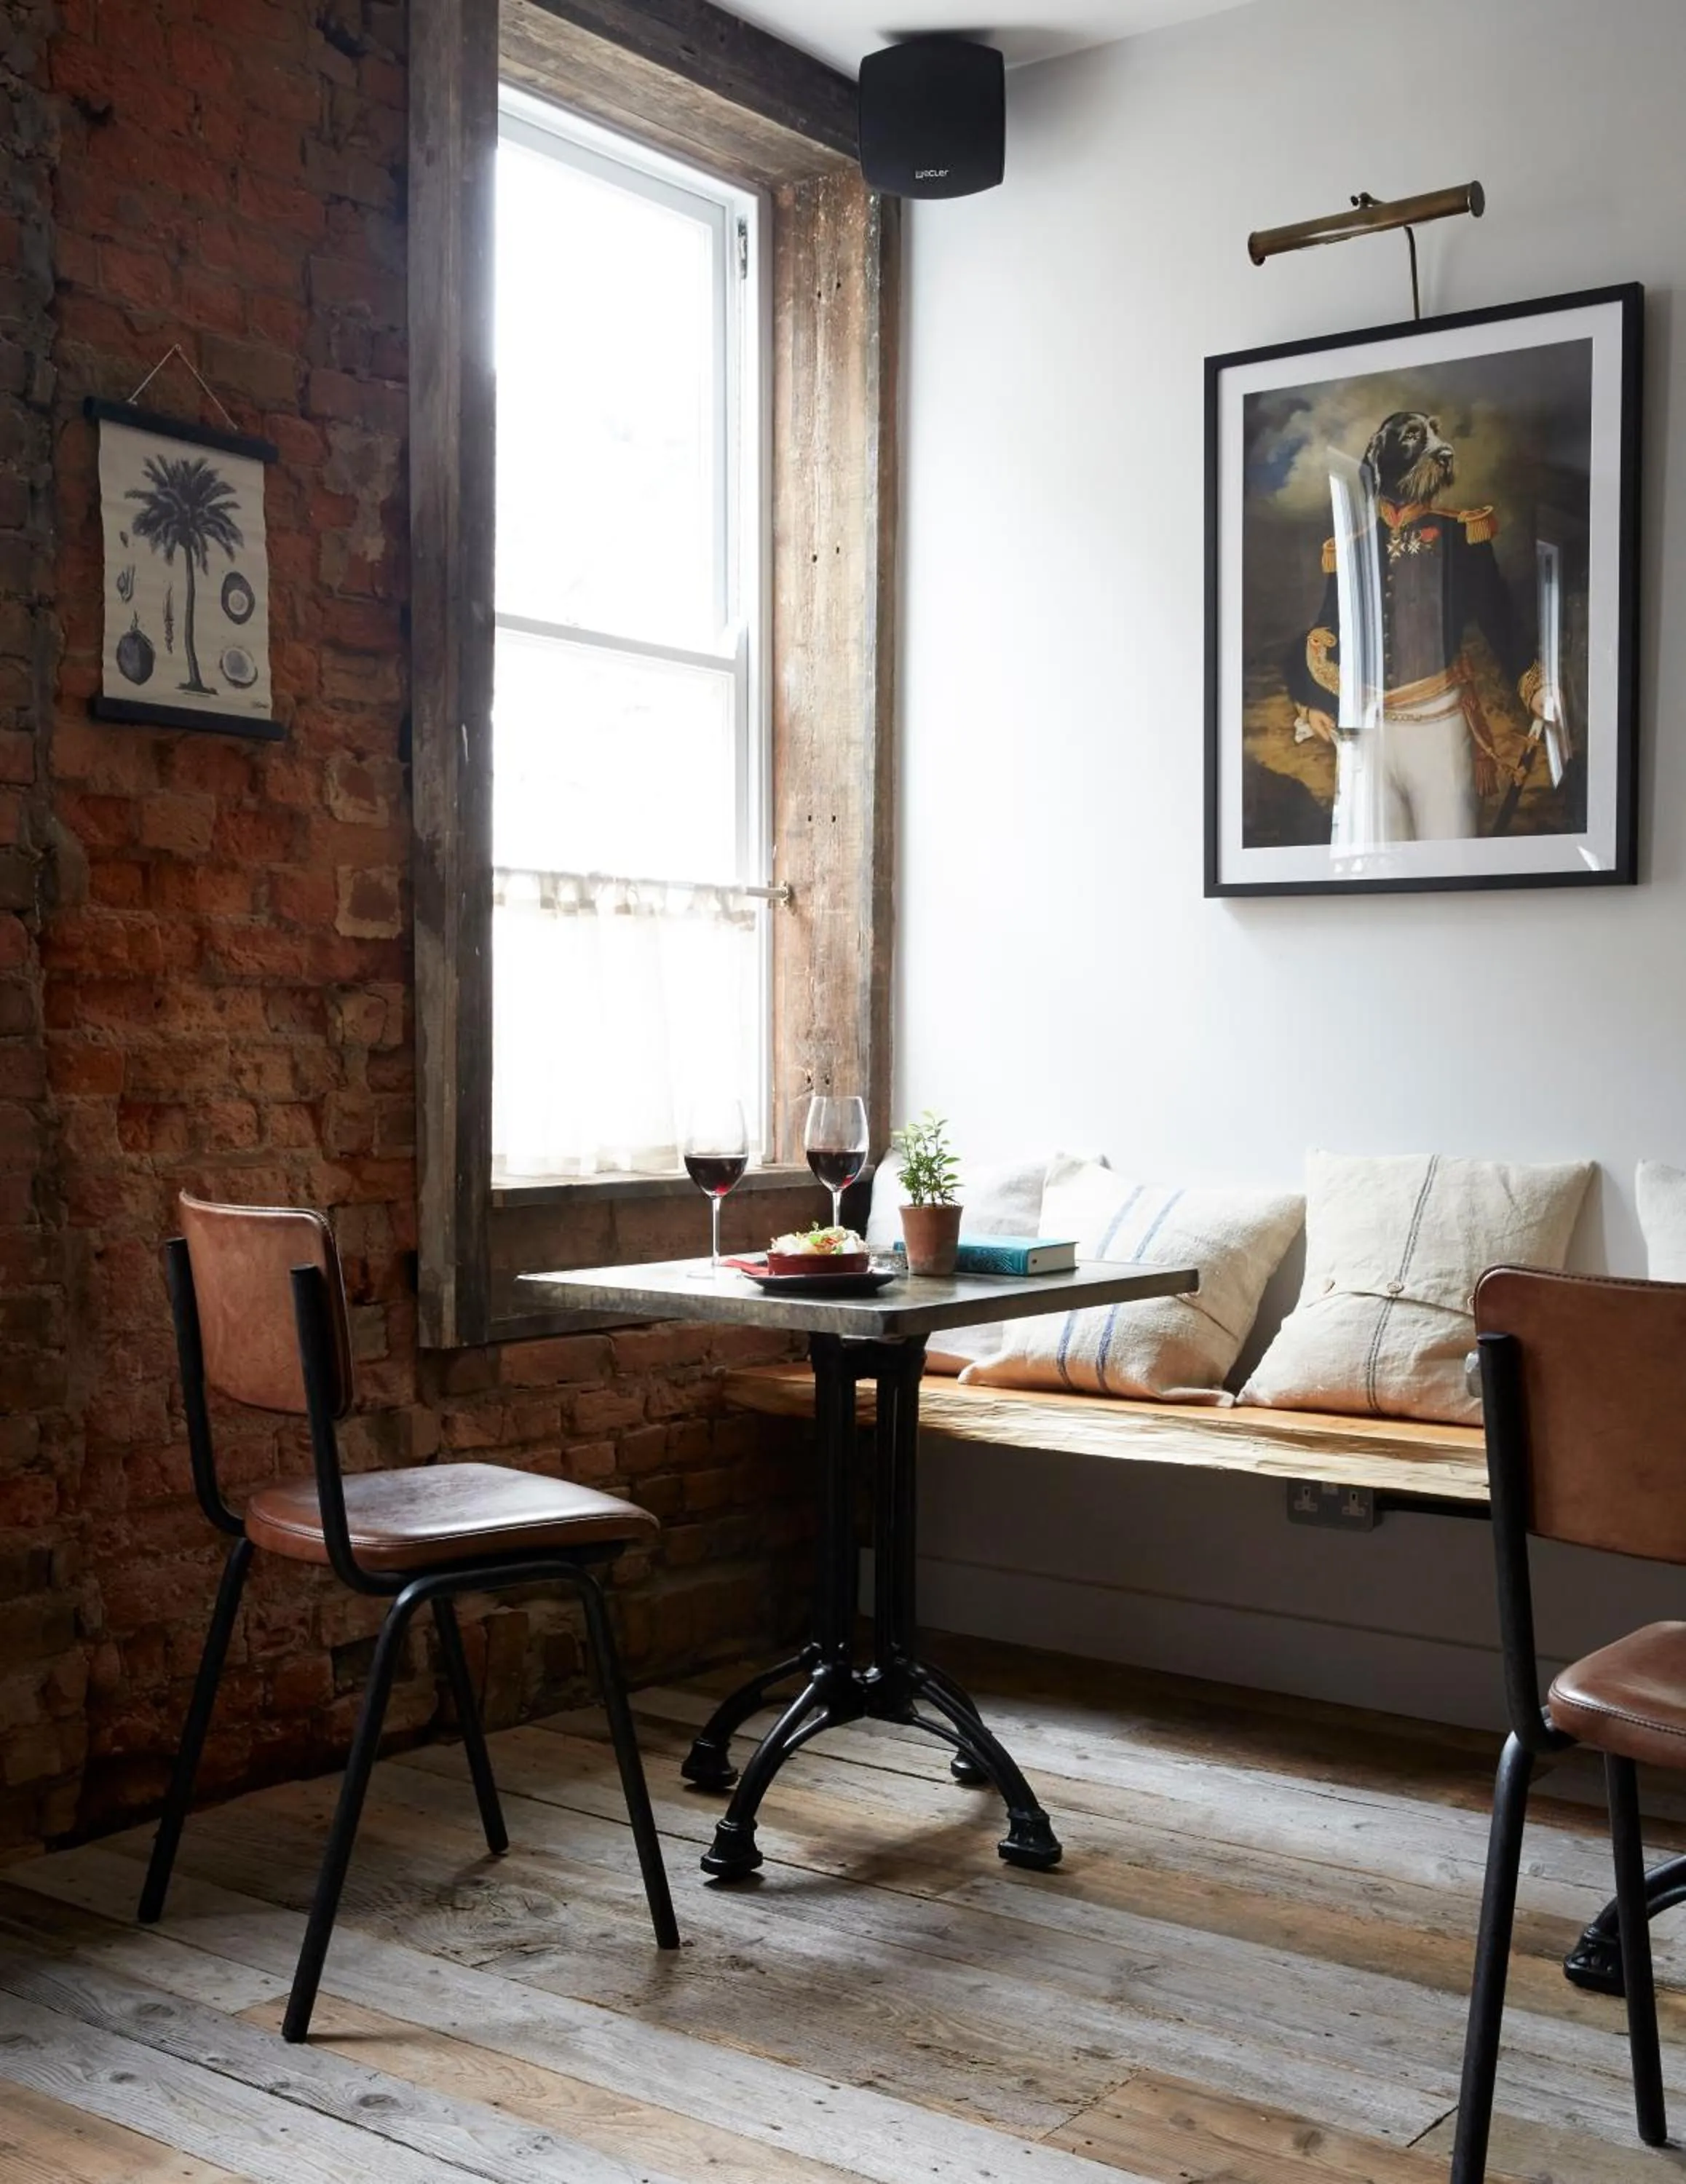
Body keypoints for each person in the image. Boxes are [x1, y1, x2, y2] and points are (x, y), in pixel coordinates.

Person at [1283, 410, 1549, 844]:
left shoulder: (1461, 536)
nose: (1439, 449)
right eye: (1414, 438)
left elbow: (1499, 618)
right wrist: (1312, 703)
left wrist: (1535, 686)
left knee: (1450, 860)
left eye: (1434, 438)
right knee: (1376, 875)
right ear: (1382, 458)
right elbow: (1326, 634)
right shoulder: (1350, 549)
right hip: (1368, 737)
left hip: (1439, 727)